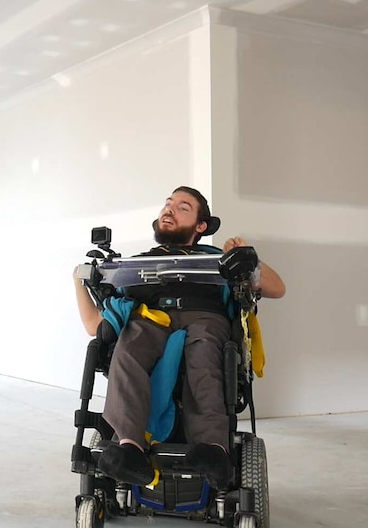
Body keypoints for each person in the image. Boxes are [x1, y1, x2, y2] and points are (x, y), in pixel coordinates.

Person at [73, 186, 284, 490]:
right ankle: (130, 448)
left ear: (200, 226)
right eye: (168, 204)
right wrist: (78, 279)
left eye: (183, 207)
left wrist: (244, 259)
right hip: (151, 317)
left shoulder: (216, 258)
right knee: (127, 346)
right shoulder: (135, 266)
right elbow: (95, 326)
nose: (169, 209)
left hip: (204, 316)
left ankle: (213, 449)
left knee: (205, 352)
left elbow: (278, 289)